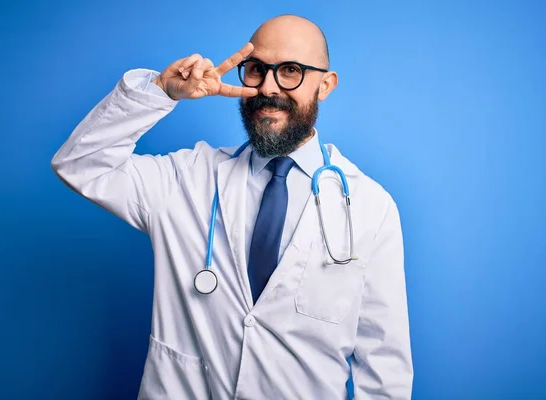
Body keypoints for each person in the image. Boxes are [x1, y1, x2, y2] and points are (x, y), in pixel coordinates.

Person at [51, 14, 413, 400]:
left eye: (290, 70)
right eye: (256, 69)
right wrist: (160, 91)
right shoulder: (187, 178)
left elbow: (383, 365)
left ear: (325, 85)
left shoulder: (370, 207)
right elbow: (81, 164)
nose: (268, 87)